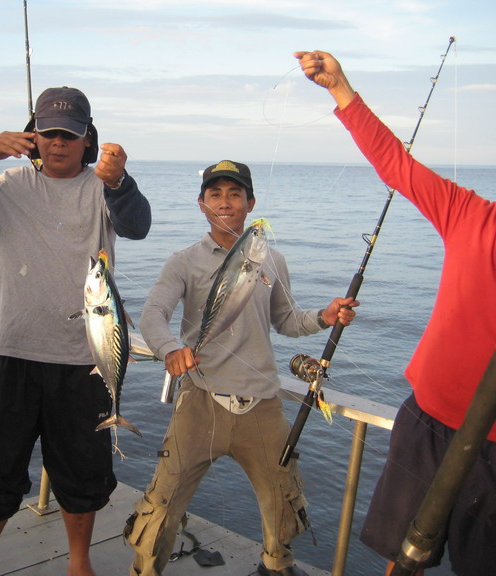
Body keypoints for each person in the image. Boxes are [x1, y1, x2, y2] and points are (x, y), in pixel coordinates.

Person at [295, 50, 496, 576]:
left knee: (488, 565)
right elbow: (397, 165)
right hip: (427, 420)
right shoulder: (471, 215)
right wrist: (340, 89)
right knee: (404, 556)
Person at [0, 86, 151, 576]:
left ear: (87, 139)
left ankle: (79, 561)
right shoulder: (11, 183)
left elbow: (138, 227)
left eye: (70, 135)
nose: (59, 143)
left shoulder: (103, 185)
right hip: (14, 352)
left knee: (83, 474)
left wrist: (120, 181)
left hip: (87, 359)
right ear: (32, 135)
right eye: (49, 133)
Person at [125, 160, 358, 576]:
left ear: (251, 203)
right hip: (200, 398)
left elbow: (286, 321)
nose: (225, 202)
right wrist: (169, 349)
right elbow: (153, 314)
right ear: (201, 204)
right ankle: (145, 571)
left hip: (263, 405)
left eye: (235, 194)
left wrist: (324, 315)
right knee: (161, 506)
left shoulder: (272, 260)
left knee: (282, 507)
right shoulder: (183, 261)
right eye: (215, 194)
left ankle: (276, 568)